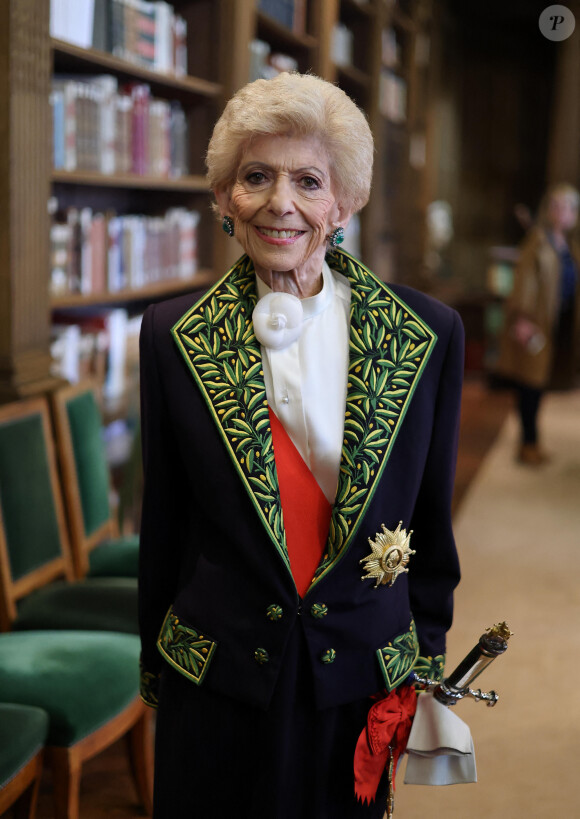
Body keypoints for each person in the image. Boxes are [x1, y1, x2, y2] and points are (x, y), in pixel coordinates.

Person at [138, 72, 464, 818]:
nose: (280, 202)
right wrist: (156, 667)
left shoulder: (427, 335)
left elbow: (431, 522)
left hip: (354, 673)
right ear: (224, 197)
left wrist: (427, 662)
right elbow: (165, 526)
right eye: (256, 176)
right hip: (217, 670)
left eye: (308, 180)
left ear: (343, 203)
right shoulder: (170, 336)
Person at [496, 183, 580, 465]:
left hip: (561, 325)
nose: (562, 212)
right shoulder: (537, 240)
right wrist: (521, 319)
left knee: (541, 383)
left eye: (568, 207)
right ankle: (527, 442)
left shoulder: (571, 247)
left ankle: (532, 441)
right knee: (529, 383)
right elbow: (524, 283)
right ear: (548, 209)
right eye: (556, 205)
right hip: (536, 324)